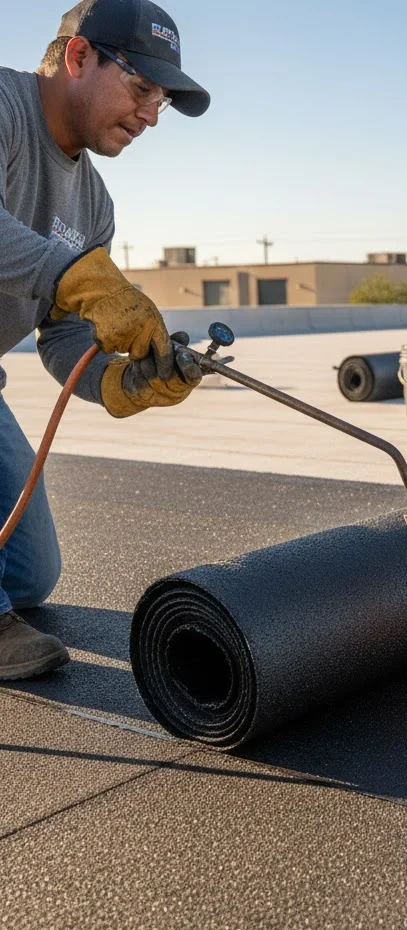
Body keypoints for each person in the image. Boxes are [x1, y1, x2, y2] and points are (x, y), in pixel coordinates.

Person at [0, 0, 209, 680]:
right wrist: (77, 276)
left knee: (29, 573)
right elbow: (71, 284)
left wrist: (121, 382)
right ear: (77, 56)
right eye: (142, 88)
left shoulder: (93, 206)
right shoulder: (3, 106)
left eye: (164, 101)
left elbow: (61, 337)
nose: (153, 115)